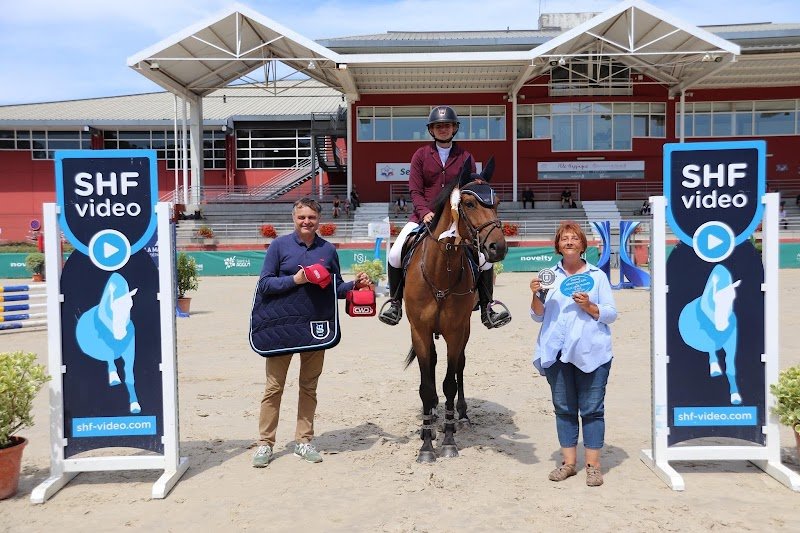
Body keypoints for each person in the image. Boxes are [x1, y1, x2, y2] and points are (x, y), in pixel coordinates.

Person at [252, 198, 371, 468]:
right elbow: (265, 284)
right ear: (294, 219)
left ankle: (303, 441)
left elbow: (335, 289)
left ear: (319, 219)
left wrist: (354, 285)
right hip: (282, 327)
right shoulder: (278, 246)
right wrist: (295, 280)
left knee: (309, 387)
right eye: (301, 217)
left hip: (315, 327)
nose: (306, 222)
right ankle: (265, 443)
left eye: (311, 217)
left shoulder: (328, 250)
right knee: (274, 388)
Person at [378, 105, 510, 329]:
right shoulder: (421, 155)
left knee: (483, 259)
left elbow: (470, 189)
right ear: (431, 130)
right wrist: (424, 212)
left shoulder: (465, 156)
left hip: (456, 218)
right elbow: (415, 190)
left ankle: (487, 308)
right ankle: (395, 303)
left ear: (454, 128)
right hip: (424, 215)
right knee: (395, 253)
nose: (443, 129)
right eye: (438, 126)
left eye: (447, 125)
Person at [529, 221, 617, 487]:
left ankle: (593, 466)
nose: (569, 242)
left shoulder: (597, 276)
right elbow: (537, 315)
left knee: (592, 410)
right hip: (556, 352)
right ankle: (568, 463)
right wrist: (536, 295)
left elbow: (611, 314)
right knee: (564, 409)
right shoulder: (548, 276)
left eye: (574, 238)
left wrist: (589, 306)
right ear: (558, 245)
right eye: (564, 238)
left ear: (582, 245)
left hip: (592, 352)